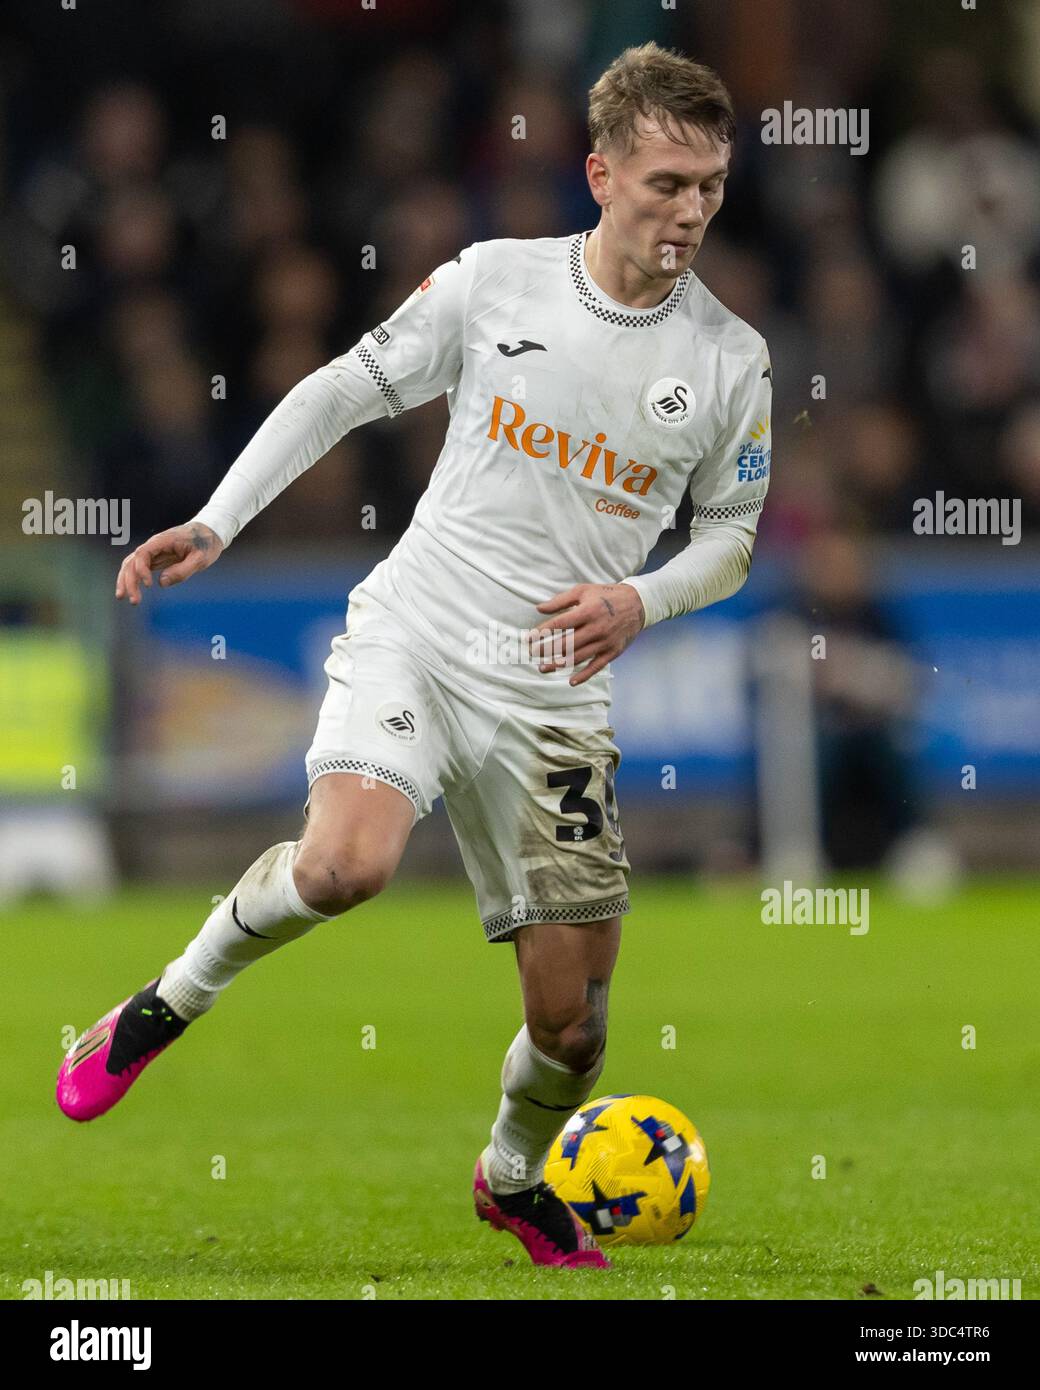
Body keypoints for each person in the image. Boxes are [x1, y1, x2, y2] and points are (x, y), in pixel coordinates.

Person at [57, 42, 772, 1270]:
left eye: (708, 183)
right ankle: (161, 1004)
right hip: (419, 632)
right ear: (600, 175)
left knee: (573, 1029)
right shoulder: (494, 284)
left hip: (554, 691)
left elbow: (730, 541)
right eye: (666, 183)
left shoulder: (727, 361)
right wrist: (217, 519)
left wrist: (640, 601)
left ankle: (508, 1175)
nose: (690, 210)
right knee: (344, 867)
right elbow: (339, 392)